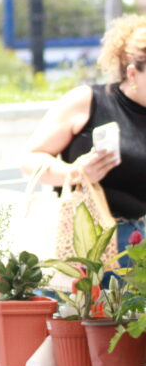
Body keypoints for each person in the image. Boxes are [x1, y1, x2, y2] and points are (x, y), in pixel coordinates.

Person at [23, 14, 146, 255]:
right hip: (81, 244)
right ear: (132, 73)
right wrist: (75, 172)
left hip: (136, 247)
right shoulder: (89, 101)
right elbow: (30, 160)